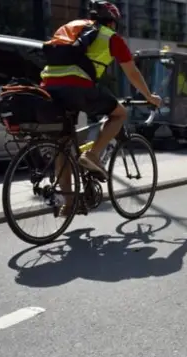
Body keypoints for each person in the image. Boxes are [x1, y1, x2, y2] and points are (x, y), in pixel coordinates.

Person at [40, 0, 162, 216]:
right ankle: (94, 155)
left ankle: (69, 204)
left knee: (64, 144)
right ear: (113, 22)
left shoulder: (70, 27)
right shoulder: (111, 37)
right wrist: (149, 96)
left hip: (49, 85)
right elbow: (132, 72)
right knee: (119, 113)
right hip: (78, 85)